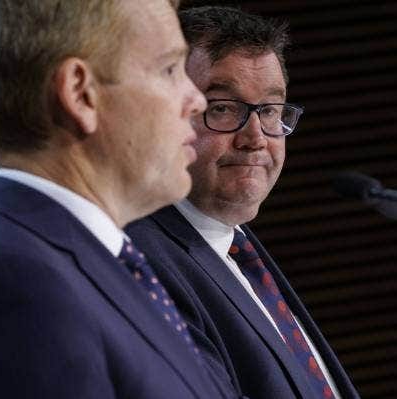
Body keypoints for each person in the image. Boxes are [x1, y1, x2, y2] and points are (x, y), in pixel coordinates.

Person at [0, 0, 240, 398]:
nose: (197, 100)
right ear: (80, 93)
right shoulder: (15, 287)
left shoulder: (107, 258)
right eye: (170, 69)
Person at [126, 6, 360, 399]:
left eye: (269, 110)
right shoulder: (142, 263)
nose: (256, 138)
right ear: (166, 111)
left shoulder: (235, 243)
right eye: (222, 108)